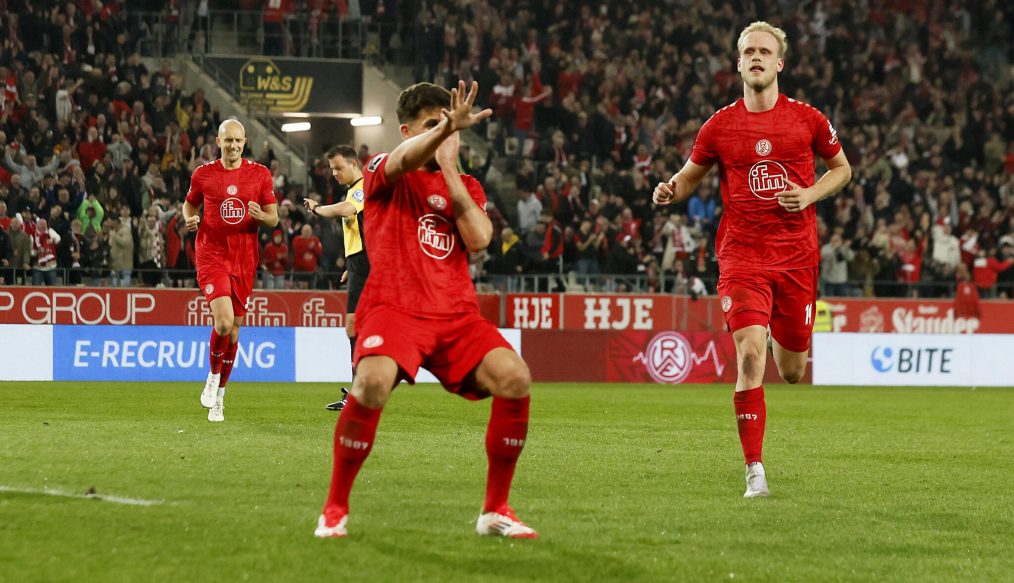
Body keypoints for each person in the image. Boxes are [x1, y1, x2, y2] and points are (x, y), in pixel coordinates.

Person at [315, 81, 537, 539]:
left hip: (455, 315)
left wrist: (450, 166)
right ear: (406, 130)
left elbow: (478, 238)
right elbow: (402, 160)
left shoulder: (466, 184)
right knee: (372, 382)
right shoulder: (380, 169)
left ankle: (494, 510)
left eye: (449, 125)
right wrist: (441, 137)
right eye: (433, 125)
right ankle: (335, 508)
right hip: (394, 308)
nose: (446, 131)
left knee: (515, 378)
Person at [653, 22, 852, 498]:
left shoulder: (807, 119)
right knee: (748, 355)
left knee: (792, 371)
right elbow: (688, 177)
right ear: (739, 62)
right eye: (749, 52)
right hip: (742, 257)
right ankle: (754, 471)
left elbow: (842, 170)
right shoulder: (719, 127)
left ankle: (771, 327)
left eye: (765, 51)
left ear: (779, 63)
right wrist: (669, 189)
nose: (757, 57)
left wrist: (809, 195)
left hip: (797, 260)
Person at [182, 119, 279, 422]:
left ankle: (220, 397)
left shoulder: (260, 174)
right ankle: (212, 377)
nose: (233, 145)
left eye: (238, 141)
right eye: (228, 141)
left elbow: (274, 219)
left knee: (234, 331)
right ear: (218, 141)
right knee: (223, 323)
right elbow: (189, 204)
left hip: (245, 260)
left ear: (245, 142)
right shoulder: (204, 174)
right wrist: (190, 218)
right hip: (212, 255)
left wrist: (261, 215)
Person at [304, 144, 369, 412]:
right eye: (331, 169)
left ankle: (360, 392)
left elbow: (346, 210)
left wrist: (318, 208)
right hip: (359, 263)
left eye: (338, 168)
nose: (334, 173)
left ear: (354, 164)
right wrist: (351, 264)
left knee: (355, 327)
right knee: (356, 328)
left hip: (365, 264)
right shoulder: (355, 189)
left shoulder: (361, 188)